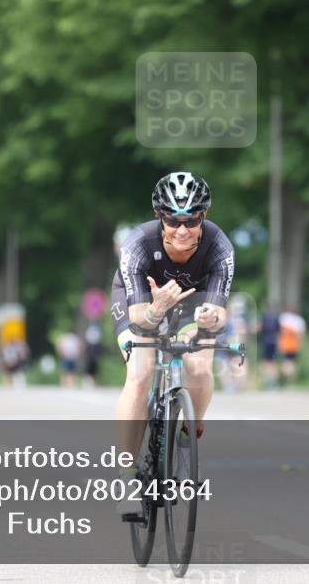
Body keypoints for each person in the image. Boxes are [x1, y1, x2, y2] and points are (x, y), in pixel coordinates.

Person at [112, 172, 234, 514]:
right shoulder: (137, 244)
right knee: (140, 374)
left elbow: (219, 312)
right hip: (140, 304)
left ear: (203, 217)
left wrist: (210, 320)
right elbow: (140, 317)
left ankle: (185, 439)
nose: (182, 229)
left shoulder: (219, 246)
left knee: (198, 365)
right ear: (159, 218)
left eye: (192, 220)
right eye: (173, 220)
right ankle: (126, 474)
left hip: (193, 305)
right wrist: (156, 310)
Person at [276, 306, 306, 385]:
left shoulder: (284, 318)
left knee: (287, 362)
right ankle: (291, 379)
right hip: (294, 345)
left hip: (286, 345)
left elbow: (280, 332)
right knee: (292, 362)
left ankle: (288, 379)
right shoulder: (299, 320)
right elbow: (300, 335)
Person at [257, 304, 282, 390]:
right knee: (273, 362)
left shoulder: (264, 317)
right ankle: (273, 382)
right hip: (274, 342)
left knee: (266, 362)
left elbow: (259, 328)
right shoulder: (276, 318)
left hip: (266, 342)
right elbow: (279, 331)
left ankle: (269, 381)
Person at [82, 323, 102, 389]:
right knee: (88, 371)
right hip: (90, 359)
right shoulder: (89, 344)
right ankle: (88, 383)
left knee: (93, 372)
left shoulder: (96, 344)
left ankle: (91, 384)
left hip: (93, 359)